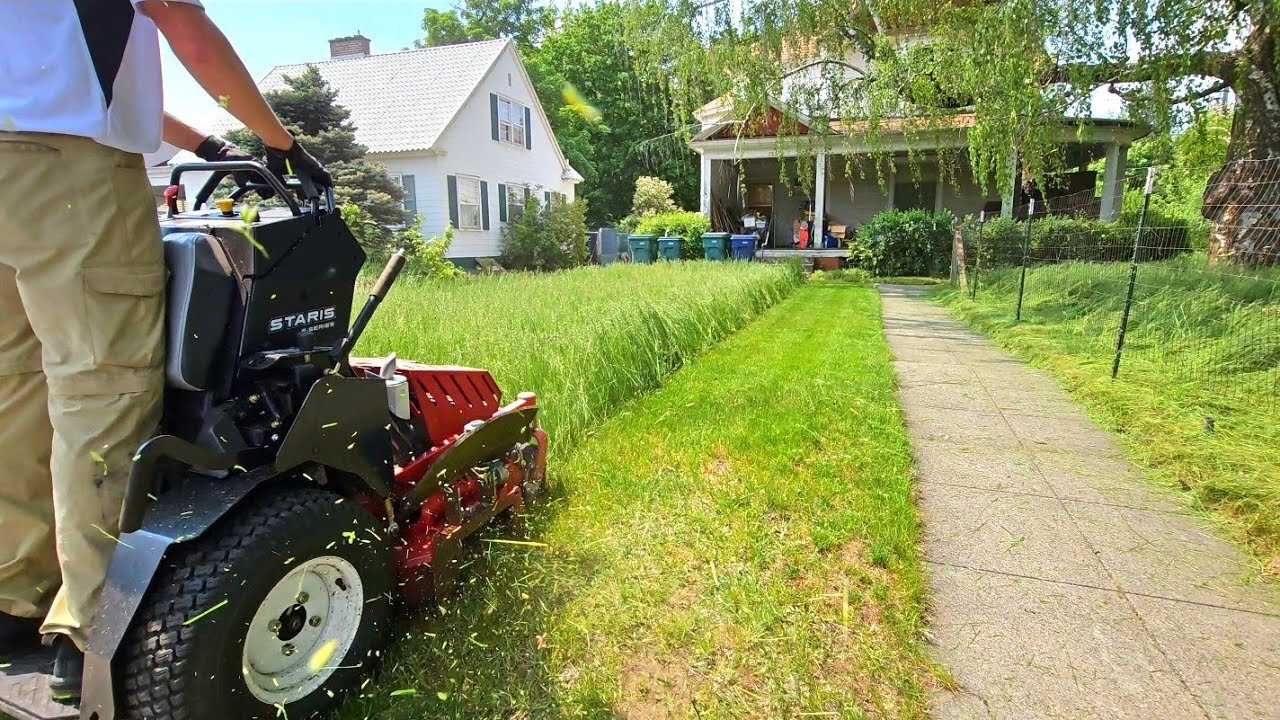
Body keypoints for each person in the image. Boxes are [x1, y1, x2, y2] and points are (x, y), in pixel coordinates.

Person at [0, 0, 331, 700]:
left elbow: (82, 69)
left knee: (19, 384)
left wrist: (210, 148)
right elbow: (178, 18)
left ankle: (15, 596)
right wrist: (280, 144)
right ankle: (90, 630)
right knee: (103, 388)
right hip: (61, 164)